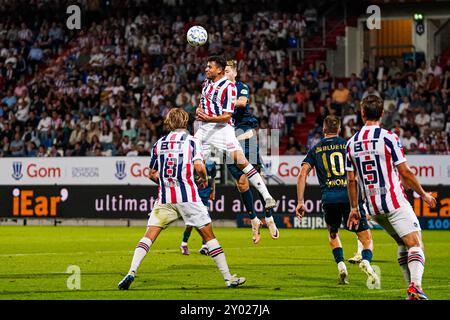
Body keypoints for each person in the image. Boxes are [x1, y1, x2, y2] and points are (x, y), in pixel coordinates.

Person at [118, 108, 245, 290]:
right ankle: (228, 279)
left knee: (149, 236)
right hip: (188, 197)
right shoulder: (192, 142)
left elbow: (151, 174)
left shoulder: (159, 143)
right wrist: (204, 178)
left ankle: (131, 271)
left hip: (165, 197)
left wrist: (165, 182)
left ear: (169, 122)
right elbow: (200, 167)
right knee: (209, 237)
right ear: (185, 122)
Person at [346, 95, 437, 300]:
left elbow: (351, 181)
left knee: (402, 244)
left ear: (362, 114)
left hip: (373, 209)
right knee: (415, 244)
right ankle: (415, 286)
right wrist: (422, 194)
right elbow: (404, 172)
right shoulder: (389, 137)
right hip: (394, 203)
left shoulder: (351, 143)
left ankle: (411, 291)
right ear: (382, 114)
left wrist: (354, 209)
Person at [296, 115, 378, 286]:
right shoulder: (349, 145)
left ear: (324, 130)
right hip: (350, 197)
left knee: (333, 234)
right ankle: (366, 262)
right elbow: (360, 173)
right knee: (366, 237)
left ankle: (341, 267)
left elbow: (302, 173)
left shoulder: (316, 149)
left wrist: (301, 201)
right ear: (339, 129)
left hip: (329, 198)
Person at [195, 56, 276, 213]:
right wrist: (199, 110)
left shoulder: (229, 87)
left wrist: (209, 117)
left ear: (219, 70)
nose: (206, 69)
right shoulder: (206, 83)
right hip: (204, 129)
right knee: (194, 162)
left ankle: (267, 197)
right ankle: (199, 186)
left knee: (242, 162)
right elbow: (202, 103)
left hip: (223, 129)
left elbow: (226, 116)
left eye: (209, 67)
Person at [224, 59, 279, 244]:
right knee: (242, 183)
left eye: (228, 70)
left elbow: (241, 102)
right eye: (222, 71)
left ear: (235, 73)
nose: (225, 73)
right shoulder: (218, 90)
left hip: (245, 137)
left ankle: (269, 217)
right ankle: (255, 220)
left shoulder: (241, 87)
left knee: (256, 178)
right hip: (228, 142)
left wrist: (222, 107)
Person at [180, 159, 217, 255]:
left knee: (206, 223)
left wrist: (213, 192)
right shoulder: (194, 168)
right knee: (190, 225)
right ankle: (184, 244)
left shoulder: (212, 166)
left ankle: (204, 247)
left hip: (204, 199)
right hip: (194, 199)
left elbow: (213, 179)